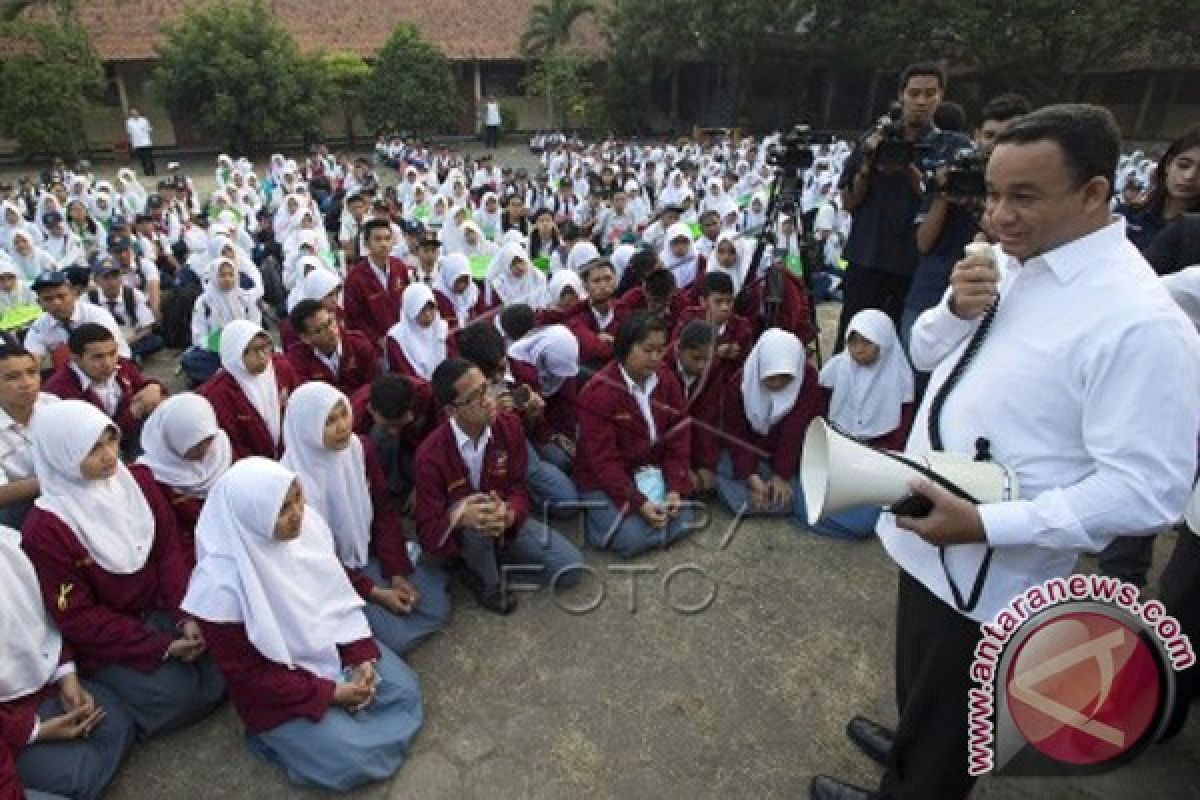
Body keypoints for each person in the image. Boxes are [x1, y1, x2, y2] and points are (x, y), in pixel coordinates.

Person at [813, 105, 1200, 800]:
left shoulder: (1140, 322)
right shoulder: (1017, 264)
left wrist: (986, 524)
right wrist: (953, 310)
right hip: (934, 528)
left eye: (1024, 196)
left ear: (1093, 194)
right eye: (993, 195)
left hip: (992, 568)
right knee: (924, 682)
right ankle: (907, 755)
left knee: (953, 720)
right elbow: (928, 353)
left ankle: (917, 780)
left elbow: (1148, 491)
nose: (999, 216)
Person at [182, 458, 424, 791]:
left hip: (328, 646)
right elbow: (250, 677)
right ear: (252, 518)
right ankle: (284, 742)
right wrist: (330, 693)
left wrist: (360, 656)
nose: (297, 513)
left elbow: (334, 598)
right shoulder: (219, 591)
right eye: (281, 509)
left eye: (298, 498)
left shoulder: (306, 530)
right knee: (357, 758)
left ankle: (327, 729)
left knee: (404, 690)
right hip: (278, 690)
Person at [21, 400, 226, 739]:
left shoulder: (139, 481)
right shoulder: (45, 528)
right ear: (61, 455)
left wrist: (185, 615)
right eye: (92, 449)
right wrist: (156, 645)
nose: (109, 456)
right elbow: (77, 616)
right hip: (113, 633)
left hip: (162, 605)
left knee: (221, 647)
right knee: (175, 693)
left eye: (111, 440)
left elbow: (167, 552)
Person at [281, 382, 449, 656]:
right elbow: (313, 561)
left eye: (344, 414)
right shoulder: (291, 485)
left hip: (366, 552)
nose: (343, 426)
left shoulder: (360, 449)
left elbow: (382, 510)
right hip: (329, 574)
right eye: (329, 421)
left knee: (435, 606)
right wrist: (375, 592)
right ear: (306, 429)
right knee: (400, 639)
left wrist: (396, 571)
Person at [414, 358, 585, 613]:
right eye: (474, 397)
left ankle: (490, 560)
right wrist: (460, 518)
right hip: (464, 535)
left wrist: (510, 513)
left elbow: (518, 487)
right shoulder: (430, 456)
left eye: (486, 388)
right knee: (474, 512)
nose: (488, 399)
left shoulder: (509, 425)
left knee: (570, 569)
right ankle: (486, 580)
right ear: (451, 411)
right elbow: (427, 532)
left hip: (505, 523)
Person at [835, 63, 969, 346]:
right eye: (915, 93)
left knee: (900, 348)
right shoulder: (875, 139)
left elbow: (943, 199)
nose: (921, 102)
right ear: (902, 95)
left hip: (915, 265)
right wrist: (868, 165)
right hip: (866, 256)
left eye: (930, 94)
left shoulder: (951, 146)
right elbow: (849, 202)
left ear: (941, 96)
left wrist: (908, 169)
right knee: (852, 342)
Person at [0, 524, 136, 800]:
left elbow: (49, 613)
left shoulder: (10, 543)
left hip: (45, 683)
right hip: (7, 724)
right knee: (82, 773)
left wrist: (67, 676)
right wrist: (34, 730)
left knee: (118, 727)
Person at [902, 93, 1031, 348]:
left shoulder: (1029, 191)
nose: (996, 146)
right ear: (976, 135)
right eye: (990, 136)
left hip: (995, 300)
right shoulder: (952, 174)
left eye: (1007, 137)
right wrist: (942, 196)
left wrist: (979, 206)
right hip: (931, 292)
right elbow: (923, 243)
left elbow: (1018, 242)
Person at [573, 312, 698, 558]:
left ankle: (632, 524)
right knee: (632, 539)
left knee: (684, 515)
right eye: (647, 349)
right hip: (603, 478)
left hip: (648, 470)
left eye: (661, 350)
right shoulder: (598, 393)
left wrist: (673, 488)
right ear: (625, 347)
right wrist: (639, 502)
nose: (655, 358)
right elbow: (604, 461)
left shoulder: (666, 379)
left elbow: (679, 438)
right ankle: (599, 521)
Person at [809, 310, 914, 540]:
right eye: (853, 342)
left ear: (884, 342)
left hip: (877, 457)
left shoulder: (901, 378)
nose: (859, 349)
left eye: (867, 342)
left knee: (868, 516)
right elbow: (819, 408)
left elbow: (900, 431)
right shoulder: (838, 366)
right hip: (837, 448)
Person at [715, 328, 824, 519]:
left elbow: (796, 430)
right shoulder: (739, 385)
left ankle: (775, 497)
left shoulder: (807, 379)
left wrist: (781, 475)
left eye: (786, 378)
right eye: (770, 377)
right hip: (751, 450)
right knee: (721, 462)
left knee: (797, 492)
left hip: (792, 456)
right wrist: (751, 476)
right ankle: (766, 495)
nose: (778, 384)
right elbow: (737, 435)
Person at [132, 393, 232, 562]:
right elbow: (170, 538)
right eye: (194, 445)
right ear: (172, 440)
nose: (204, 450)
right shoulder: (153, 478)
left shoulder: (221, 448)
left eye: (208, 440)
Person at [43, 323, 166, 457]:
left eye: (112, 353)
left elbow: (143, 386)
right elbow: (98, 436)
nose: (108, 363)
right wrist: (133, 412)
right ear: (76, 358)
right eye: (98, 357)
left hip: (132, 432)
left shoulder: (121, 365)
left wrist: (154, 386)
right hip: (93, 451)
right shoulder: (60, 391)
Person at [198, 320, 297, 461]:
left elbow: (298, 408)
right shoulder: (219, 392)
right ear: (234, 354)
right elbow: (230, 444)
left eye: (265, 347)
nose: (262, 356)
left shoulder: (281, 368)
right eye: (250, 351)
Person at [508, 323, 580, 474]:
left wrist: (567, 435)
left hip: (554, 426)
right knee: (561, 461)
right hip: (532, 431)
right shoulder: (518, 367)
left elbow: (568, 403)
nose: (557, 378)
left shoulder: (565, 363)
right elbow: (524, 419)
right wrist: (552, 436)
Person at [0, 339, 56, 529]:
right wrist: (54, 481)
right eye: (12, 377)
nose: (27, 383)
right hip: (22, 505)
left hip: (70, 489)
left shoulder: (52, 405)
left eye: (32, 373)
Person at [23, 271, 131, 368]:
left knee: (63, 353)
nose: (56, 303)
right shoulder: (39, 326)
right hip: (74, 375)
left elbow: (106, 351)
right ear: (39, 303)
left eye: (61, 296)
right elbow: (31, 362)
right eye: (48, 299)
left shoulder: (96, 315)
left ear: (74, 294)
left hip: (117, 365)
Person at [182, 256, 261, 387]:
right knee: (190, 360)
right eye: (222, 275)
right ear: (214, 276)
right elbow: (198, 336)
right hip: (216, 350)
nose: (228, 279)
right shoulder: (204, 302)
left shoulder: (245, 298)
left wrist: (241, 341)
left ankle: (224, 377)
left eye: (231, 275)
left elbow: (256, 326)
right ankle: (233, 376)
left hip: (244, 347)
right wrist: (219, 343)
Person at [1122, 125, 1200, 253]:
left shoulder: (1194, 233)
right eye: (1183, 165)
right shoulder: (1129, 215)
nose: (1189, 176)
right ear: (1168, 164)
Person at [287, 299, 378, 396]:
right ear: (305, 338)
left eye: (330, 322)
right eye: (319, 330)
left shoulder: (359, 345)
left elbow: (375, 387)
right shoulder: (296, 360)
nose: (330, 330)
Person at [343, 219, 409, 345]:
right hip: (373, 346)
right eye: (378, 239)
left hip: (403, 340)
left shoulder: (399, 267)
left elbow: (407, 304)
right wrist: (376, 339)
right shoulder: (354, 278)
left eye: (387, 238)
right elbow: (353, 319)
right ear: (367, 244)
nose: (384, 244)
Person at [87, 256, 163, 363]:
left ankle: (124, 356)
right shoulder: (89, 299)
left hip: (129, 338)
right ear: (96, 280)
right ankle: (128, 357)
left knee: (155, 341)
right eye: (106, 278)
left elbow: (147, 328)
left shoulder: (134, 295)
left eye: (115, 276)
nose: (112, 282)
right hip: (101, 342)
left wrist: (124, 342)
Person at [386, 283, 449, 392]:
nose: (428, 315)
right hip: (414, 394)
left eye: (431, 308)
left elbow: (451, 361)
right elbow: (404, 374)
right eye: (422, 310)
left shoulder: (441, 328)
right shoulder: (397, 338)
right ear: (411, 310)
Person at [433, 253, 491, 331]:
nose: (462, 286)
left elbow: (485, 317)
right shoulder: (439, 295)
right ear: (448, 276)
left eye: (465, 281)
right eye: (457, 281)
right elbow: (449, 327)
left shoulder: (473, 291)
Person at [125, 108, 155, 177]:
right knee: (142, 159)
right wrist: (132, 143)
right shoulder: (129, 122)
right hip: (137, 143)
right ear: (131, 114)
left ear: (138, 113)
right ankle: (146, 172)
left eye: (135, 113)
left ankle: (153, 171)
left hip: (146, 142)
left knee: (149, 157)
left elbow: (149, 129)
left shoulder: (144, 120)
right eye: (132, 113)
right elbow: (129, 132)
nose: (135, 114)